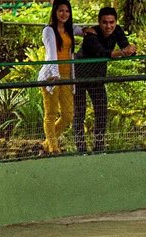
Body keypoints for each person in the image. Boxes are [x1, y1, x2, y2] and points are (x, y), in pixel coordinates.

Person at [73, 7, 137, 153]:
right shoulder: (91, 35)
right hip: (79, 75)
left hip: (98, 77)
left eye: (111, 22)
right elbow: (102, 53)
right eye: (105, 22)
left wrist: (131, 50)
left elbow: (125, 47)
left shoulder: (118, 31)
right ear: (99, 22)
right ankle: (81, 149)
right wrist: (122, 52)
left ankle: (99, 147)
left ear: (116, 22)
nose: (108, 26)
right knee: (79, 112)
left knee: (101, 110)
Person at [38, 0, 85, 154]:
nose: (64, 14)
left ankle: (46, 145)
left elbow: (81, 30)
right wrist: (53, 75)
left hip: (66, 76)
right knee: (50, 113)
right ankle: (53, 149)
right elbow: (51, 53)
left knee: (68, 115)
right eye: (61, 11)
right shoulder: (49, 30)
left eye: (67, 11)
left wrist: (88, 30)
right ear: (55, 12)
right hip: (51, 76)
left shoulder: (69, 29)